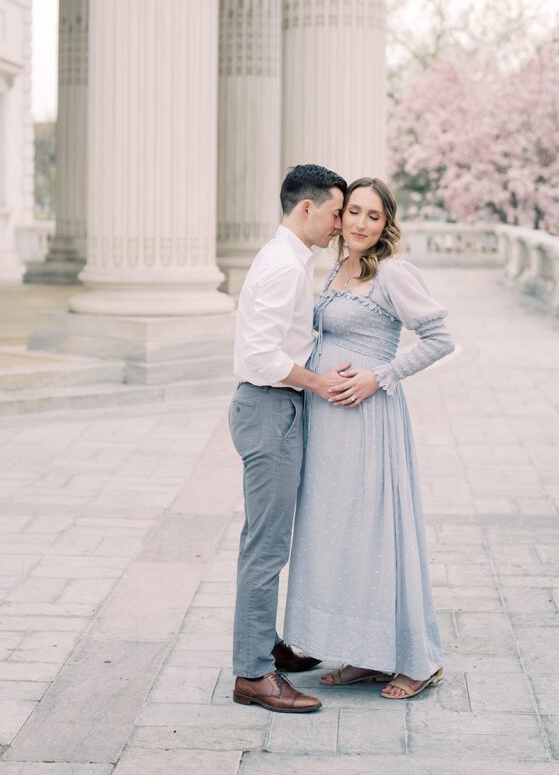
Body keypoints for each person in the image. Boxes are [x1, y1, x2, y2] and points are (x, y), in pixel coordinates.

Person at [283, 176, 455, 700]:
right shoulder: (336, 269)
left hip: (367, 419)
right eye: (352, 212)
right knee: (342, 533)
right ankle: (366, 653)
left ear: (386, 224)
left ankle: (417, 661)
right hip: (329, 422)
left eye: (372, 216)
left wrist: (379, 375)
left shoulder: (393, 273)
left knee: (377, 530)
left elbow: (440, 339)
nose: (359, 223)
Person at [230, 163, 352, 714]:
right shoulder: (284, 267)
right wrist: (317, 382)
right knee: (266, 547)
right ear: (307, 209)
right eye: (334, 214)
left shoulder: (284, 259)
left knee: (267, 539)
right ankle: (254, 674)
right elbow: (261, 356)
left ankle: (265, 646)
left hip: (273, 409)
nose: (339, 226)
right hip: (270, 408)